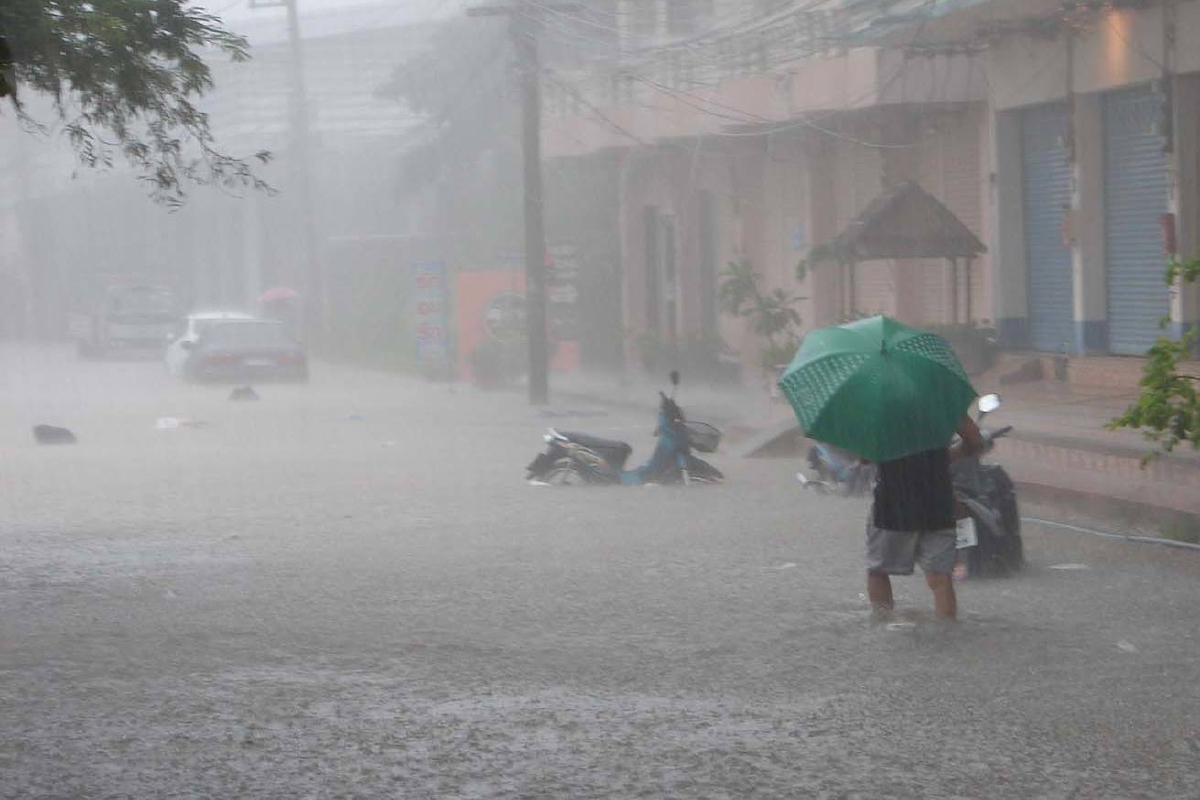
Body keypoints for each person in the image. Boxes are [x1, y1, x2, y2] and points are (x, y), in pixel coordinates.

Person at [866, 414, 985, 622]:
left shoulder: (879, 405)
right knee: (940, 577)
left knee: (878, 570)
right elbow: (975, 441)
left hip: (893, 499)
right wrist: (941, 457)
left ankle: (881, 629)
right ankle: (947, 636)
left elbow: (863, 457)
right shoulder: (942, 400)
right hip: (937, 498)